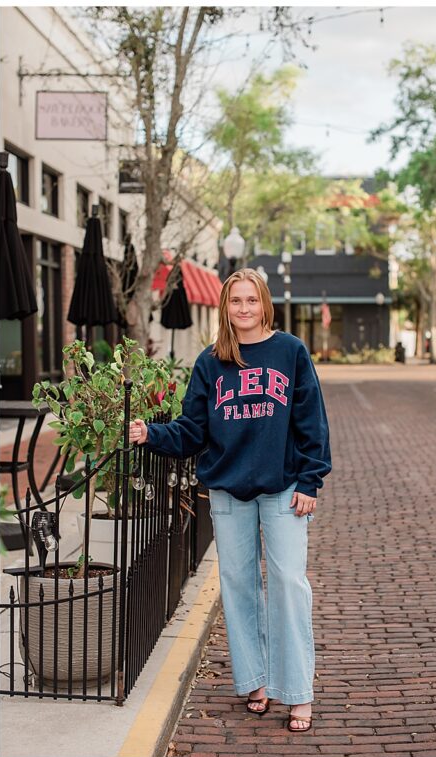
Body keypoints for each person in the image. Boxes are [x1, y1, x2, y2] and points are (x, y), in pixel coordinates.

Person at [129, 268, 330, 733]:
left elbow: (311, 421)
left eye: (251, 300)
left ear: (265, 304)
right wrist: (149, 433)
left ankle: (298, 692)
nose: (244, 309)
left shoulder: (290, 352)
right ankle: (255, 681)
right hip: (227, 490)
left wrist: (310, 481)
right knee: (239, 587)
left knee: (288, 584)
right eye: (235, 301)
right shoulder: (211, 362)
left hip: (282, 488)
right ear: (225, 308)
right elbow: (192, 429)